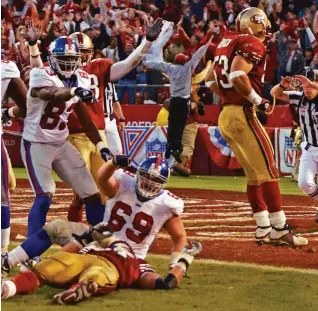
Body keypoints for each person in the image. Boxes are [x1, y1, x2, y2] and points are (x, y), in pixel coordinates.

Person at [205, 7, 308, 247]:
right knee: (269, 171)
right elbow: (238, 74)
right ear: (258, 25)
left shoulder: (225, 42)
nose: (266, 35)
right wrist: (256, 99)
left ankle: (262, 226)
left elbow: (210, 80)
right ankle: (280, 229)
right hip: (242, 113)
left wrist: (230, 96)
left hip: (226, 114)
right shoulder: (251, 43)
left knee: (253, 175)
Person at [1, 155, 187, 274]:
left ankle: (39, 271)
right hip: (99, 239)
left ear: (163, 183)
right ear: (139, 174)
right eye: (147, 176)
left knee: (72, 269)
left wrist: (174, 264)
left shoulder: (167, 204)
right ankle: (8, 261)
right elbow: (102, 179)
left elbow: (179, 237)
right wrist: (113, 163)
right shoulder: (125, 183)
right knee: (56, 227)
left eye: (155, 180)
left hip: (127, 256)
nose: (149, 183)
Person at [20, 36, 111, 240]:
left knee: (93, 195)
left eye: (72, 58)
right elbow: (50, 93)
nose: (68, 63)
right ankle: (30, 254)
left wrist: (101, 145)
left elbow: (85, 118)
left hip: (60, 144)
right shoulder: (41, 73)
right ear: (52, 58)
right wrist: (73, 91)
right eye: (63, 58)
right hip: (37, 143)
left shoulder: (82, 78)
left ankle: (99, 244)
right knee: (44, 197)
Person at [2, 223, 202, 305]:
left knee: (53, 267)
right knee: (61, 266)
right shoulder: (135, 260)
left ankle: (10, 287)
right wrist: (185, 260)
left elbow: (164, 283)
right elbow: (165, 282)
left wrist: (185, 259)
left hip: (96, 263)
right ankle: (79, 289)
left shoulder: (135, 260)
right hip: (99, 265)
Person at [144, 35, 213, 163]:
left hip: (174, 100)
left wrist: (144, 62)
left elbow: (157, 65)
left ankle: (169, 146)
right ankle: (177, 147)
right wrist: (207, 44)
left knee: (172, 123)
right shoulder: (188, 68)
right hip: (184, 101)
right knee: (180, 125)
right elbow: (197, 55)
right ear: (185, 61)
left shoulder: (170, 68)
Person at [270, 69, 318, 223]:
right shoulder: (300, 98)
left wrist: (312, 84)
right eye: (305, 86)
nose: (308, 89)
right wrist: (281, 85)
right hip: (309, 148)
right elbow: (274, 93)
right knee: (304, 183)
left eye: (311, 85)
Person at [1, 59, 28, 254]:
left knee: (8, 184)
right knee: (2, 194)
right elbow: (27, 105)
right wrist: (8, 112)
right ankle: (2, 251)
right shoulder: (5, 68)